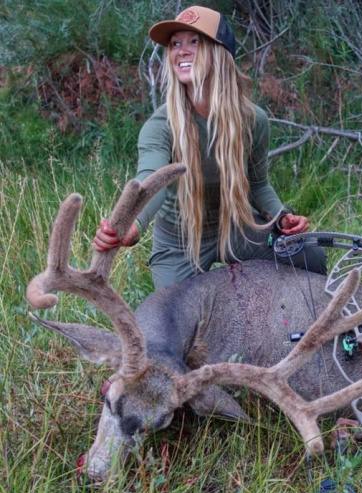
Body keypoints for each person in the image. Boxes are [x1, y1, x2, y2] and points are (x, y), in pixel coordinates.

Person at [93, 5, 326, 289]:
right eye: (175, 44)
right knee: (172, 319)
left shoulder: (253, 120)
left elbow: (258, 184)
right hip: (180, 239)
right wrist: (133, 223)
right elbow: (150, 179)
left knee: (311, 256)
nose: (182, 51)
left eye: (195, 42)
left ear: (220, 54)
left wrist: (282, 217)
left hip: (236, 226)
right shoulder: (160, 126)